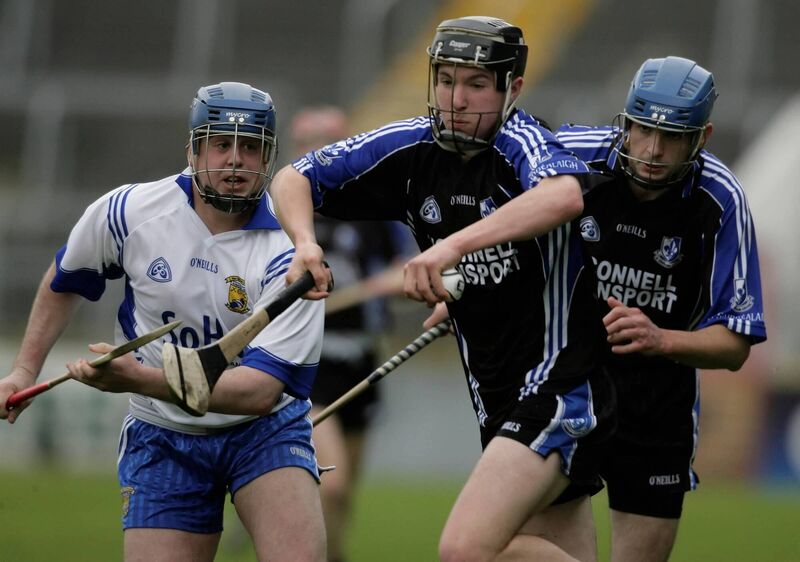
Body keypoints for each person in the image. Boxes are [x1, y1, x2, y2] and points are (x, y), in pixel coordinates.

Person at [270, 16, 615, 562]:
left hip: (559, 387)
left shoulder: (523, 140)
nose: (457, 98)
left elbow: (563, 198)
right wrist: (305, 244)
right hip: (498, 398)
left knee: (464, 549)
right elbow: (295, 177)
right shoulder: (411, 147)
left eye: (476, 84)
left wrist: (447, 249)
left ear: (512, 89)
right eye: (446, 79)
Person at [0, 82, 327, 562]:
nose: (235, 160)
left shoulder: (292, 255)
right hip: (163, 436)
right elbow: (66, 277)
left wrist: (138, 380)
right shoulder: (130, 211)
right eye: (221, 144)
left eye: (251, 147)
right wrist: (25, 370)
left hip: (264, 432)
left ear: (268, 158)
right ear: (193, 151)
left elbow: (259, 392)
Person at [556, 56, 767, 561]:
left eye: (672, 137)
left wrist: (661, 339)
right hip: (565, 390)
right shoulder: (571, 158)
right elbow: (498, 210)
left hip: (657, 408)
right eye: (643, 129)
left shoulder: (722, 201)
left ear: (703, 136)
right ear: (625, 121)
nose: (652, 150)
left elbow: (736, 343)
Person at [290, 106, 411, 562]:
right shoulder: (290, 216)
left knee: (345, 494)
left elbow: (412, 268)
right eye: (308, 142)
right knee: (332, 483)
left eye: (328, 141)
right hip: (309, 361)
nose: (317, 152)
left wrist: (390, 281)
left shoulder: (376, 211)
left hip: (362, 360)